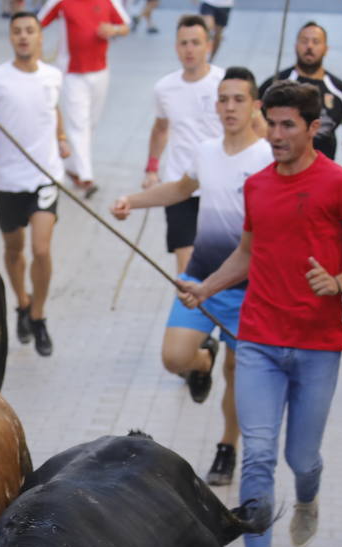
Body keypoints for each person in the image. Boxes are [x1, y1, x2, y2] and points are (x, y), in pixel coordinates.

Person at [177, 81, 342, 547]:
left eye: (289, 125)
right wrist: (206, 287)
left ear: (314, 128)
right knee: (259, 457)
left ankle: (309, 496)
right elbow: (247, 252)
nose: (277, 134)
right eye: (272, 123)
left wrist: (337, 283)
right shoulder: (258, 186)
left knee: (301, 458)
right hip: (260, 341)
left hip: (318, 347)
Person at [111, 67, 272, 486]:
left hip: (250, 286)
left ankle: (227, 446)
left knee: (238, 371)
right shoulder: (206, 150)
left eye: (239, 99)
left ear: (256, 105)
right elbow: (181, 189)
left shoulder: (268, 158)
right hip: (201, 279)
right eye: (223, 99)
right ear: (215, 106)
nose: (230, 107)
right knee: (174, 358)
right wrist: (134, 200)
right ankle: (204, 359)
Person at [0, 11, 68, 357]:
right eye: (17, 31)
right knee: (14, 249)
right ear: (11, 37)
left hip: (44, 175)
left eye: (30, 31)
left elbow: (53, 111)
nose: (24, 37)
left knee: (41, 249)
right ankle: (21, 302)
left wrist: (62, 137)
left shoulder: (53, 76)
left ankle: (38, 315)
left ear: (40, 37)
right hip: (8, 178)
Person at [145, 16, 223, 275]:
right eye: (183, 43)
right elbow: (160, 128)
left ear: (208, 46)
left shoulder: (224, 85)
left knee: (219, 266)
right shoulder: (164, 87)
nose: (189, 49)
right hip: (179, 187)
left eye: (196, 43)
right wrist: (151, 169)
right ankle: (191, 315)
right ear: (176, 47)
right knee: (186, 269)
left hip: (218, 187)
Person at [38, 0, 130, 196]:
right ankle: (87, 177)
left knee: (90, 124)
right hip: (71, 72)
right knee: (78, 125)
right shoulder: (60, 2)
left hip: (100, 71)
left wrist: (113, 30)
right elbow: (37, 24)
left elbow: (125, 26)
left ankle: (72, 167)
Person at [260, 22, 342, 161]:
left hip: (323, 173)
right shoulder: (275, 85)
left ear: (326, 49)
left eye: (316, 42)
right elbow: (254, 115)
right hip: (279, 167)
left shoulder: (339, 89)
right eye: (304, 41)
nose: (309, 46)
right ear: (296, 46)